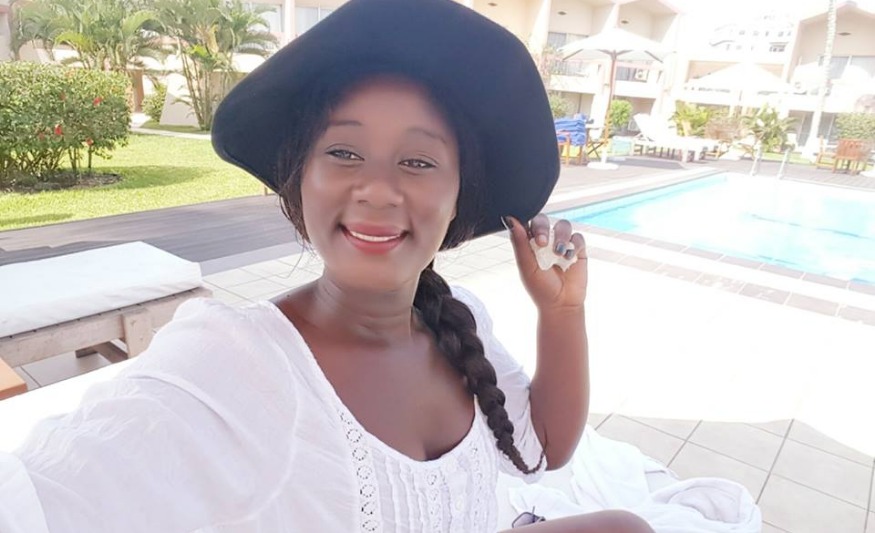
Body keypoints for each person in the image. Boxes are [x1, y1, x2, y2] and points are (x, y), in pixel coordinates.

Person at [0, 0, 654, 531]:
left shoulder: (461, 322)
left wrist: (562, 312)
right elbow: (44, 496)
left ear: (460, 197)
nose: (377, 188)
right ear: (299, 180)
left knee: (626, 528)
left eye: (418, 161)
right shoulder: (238, 364)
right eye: (343, 152)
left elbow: (543, 449)